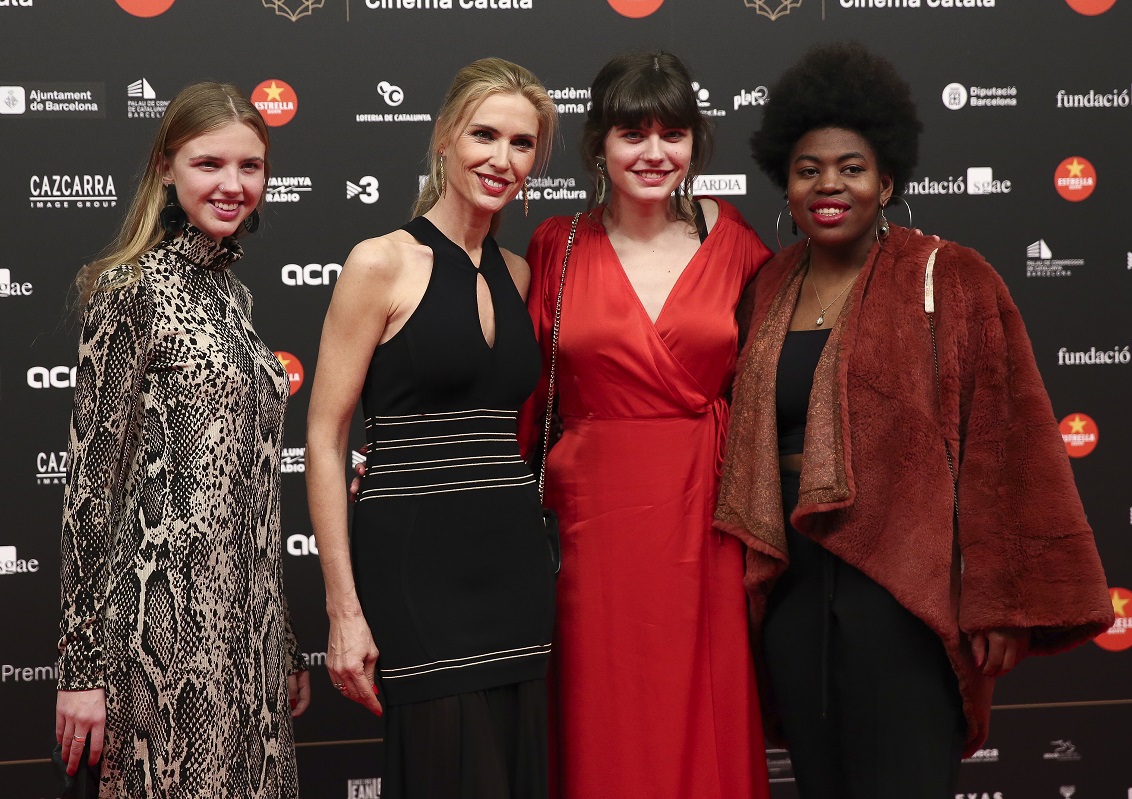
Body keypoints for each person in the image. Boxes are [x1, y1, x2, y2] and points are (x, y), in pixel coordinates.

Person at [714, 42, 1114, 798]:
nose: (829, 184)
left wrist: (1000, 600)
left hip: (905, 592)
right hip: (796, 588)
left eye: (851, 168)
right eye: (808, 170)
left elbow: (1006, 446)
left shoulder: (952, 277)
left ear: (887, 180)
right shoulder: (767, 285)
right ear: (786, 185)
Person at [518, 52, 771, 799]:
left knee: (702, 702)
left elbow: (767, 394)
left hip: (705, 511)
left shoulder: (739, 245)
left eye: (674, 134)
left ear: (696, 145)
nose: (654, 153)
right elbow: (522, 398)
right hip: (591, 518)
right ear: (599, 144)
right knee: (605, 708)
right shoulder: (556, 246)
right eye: (633, 133)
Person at [305, 58, 559, 798]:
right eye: (484, 134)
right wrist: (344, 610)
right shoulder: (380, 263)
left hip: (514, 566)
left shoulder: (517, 274)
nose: (500, 159)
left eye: (521, 144)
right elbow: (324, 438)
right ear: (444, 137)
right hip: (417, 570)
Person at [56, 81, 310, 798]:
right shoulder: (128, 288)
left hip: (247, 637)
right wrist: (80, 673)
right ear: (167, 167)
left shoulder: (235, 295)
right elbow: (89, 490)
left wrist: (280, 637)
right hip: (158, 641)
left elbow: (257, 488)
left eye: (250, 166)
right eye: (209, 164)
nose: (233, 185)